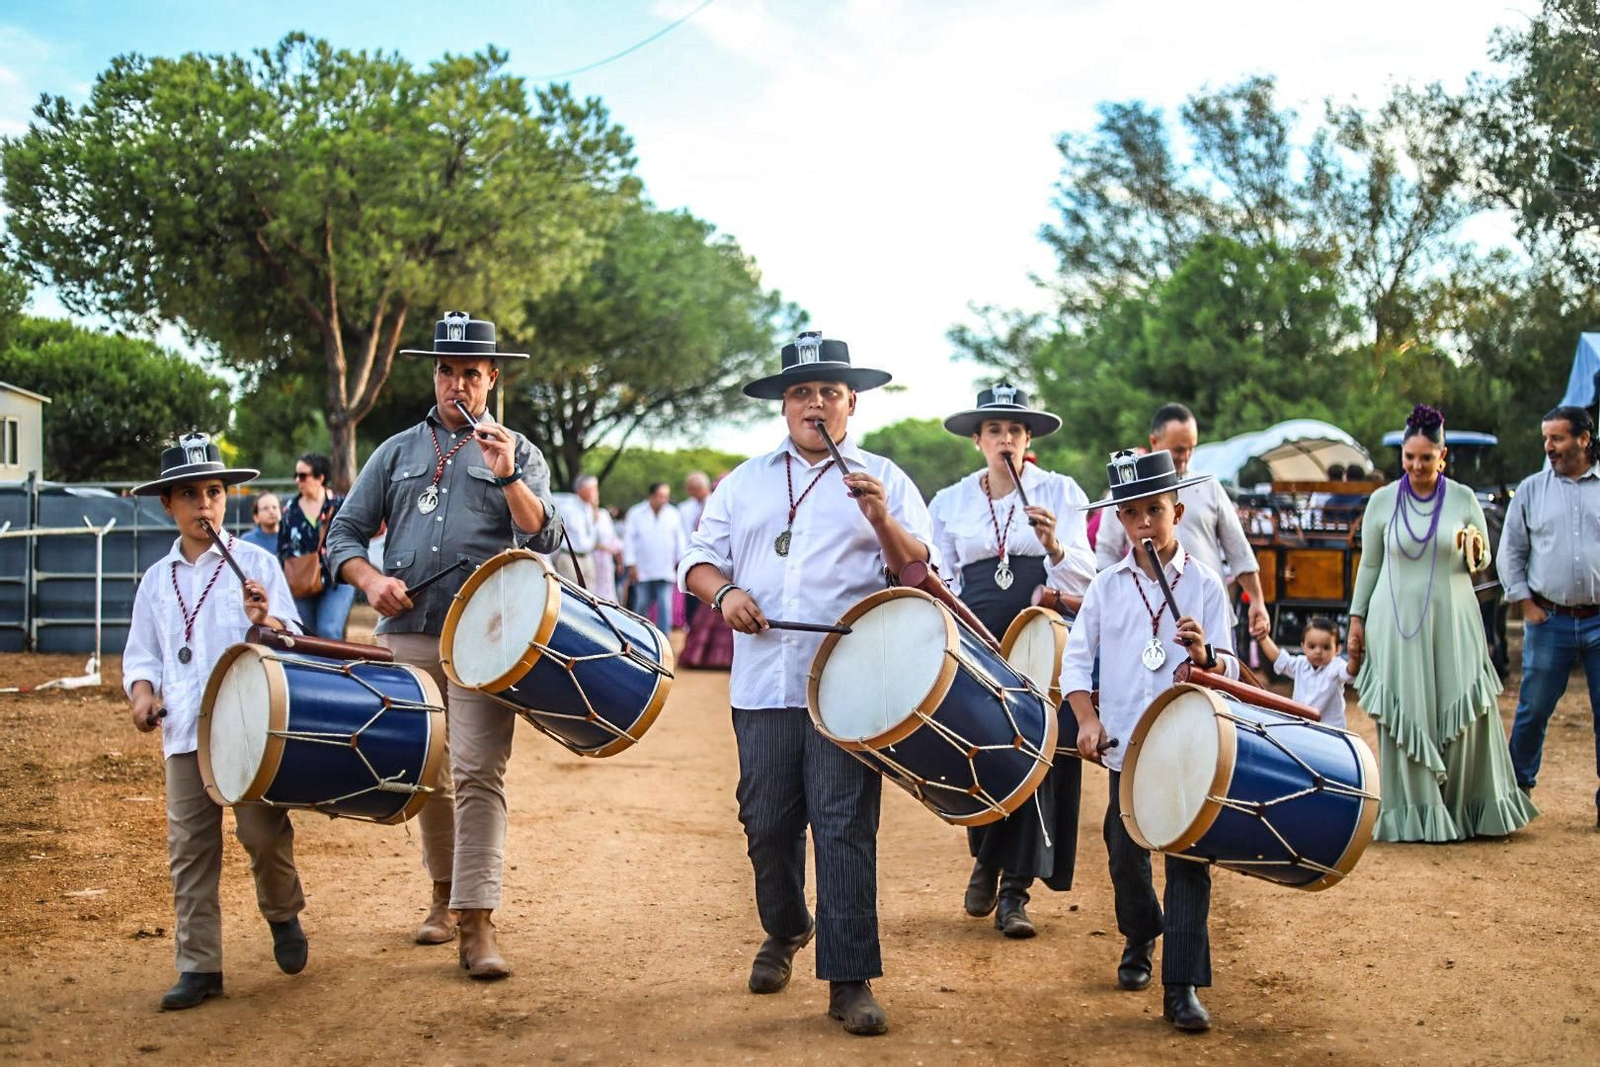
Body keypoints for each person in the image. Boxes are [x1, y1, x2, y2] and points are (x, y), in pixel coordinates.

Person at [679, 331, 934, 1037]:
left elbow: (919, 574)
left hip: (850, 686)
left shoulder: (887, 478)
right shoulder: (746, 480)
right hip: (762, 683)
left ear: (852, 403)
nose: (813, 402)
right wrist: (725, 592)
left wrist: (881, 516)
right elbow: (699, 561)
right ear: (783, 405)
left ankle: (850, 978)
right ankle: (788, 926)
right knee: (766, 822)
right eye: (801, 391)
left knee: (844, 825)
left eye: (828, 391)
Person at [326, 310, 563, 980]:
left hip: (486, 639)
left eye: (471, 372)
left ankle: (478, 924)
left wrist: (509, 473)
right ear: (435, 373)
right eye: (446, 369)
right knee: (426, 773)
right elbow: (343, 535)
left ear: (492, 378)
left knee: (479, 770)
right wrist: (370, 579)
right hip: (408, 636)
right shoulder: (395, 452)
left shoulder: (520, 451)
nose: (457, 382)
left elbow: (544, 537)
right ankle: (443, 895)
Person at [123, 432, 307, 1011]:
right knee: (190, 849)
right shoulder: (156, 582)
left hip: (250, 726)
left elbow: (294, 642)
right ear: (168, 505)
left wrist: (266, 618)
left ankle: (282, 913)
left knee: (261, 833)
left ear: (227, 498)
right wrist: (142, 695)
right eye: (190, 495)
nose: (204, 506)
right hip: (182, 730)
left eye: (214, 492)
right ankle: (199, 966)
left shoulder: (256, 563)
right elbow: (142, 655)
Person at [1061, 447, 1241, 1033]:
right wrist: (1087, 720)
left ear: (1178, 511)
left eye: (1155, 510)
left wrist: (1206, 656)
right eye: (1132, 512)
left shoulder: (1207, 586)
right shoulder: (1107, 587)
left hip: (1189, 744)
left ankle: (1182, 984)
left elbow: (1233, 670)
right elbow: (1076, 665)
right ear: (1119, 520)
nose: (1144, 523)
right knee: (1124, 851)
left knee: (1188, 860)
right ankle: (1139, 935)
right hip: (1126, 749)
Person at [927, 383, 1095, 939]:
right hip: (974, 638)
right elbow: (943, 576)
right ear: (977, 440)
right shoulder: (950, 501)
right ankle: (988, 856)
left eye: (1015, 432)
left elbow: (1087, 579)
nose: (1005, 440)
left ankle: (1012, 892)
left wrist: (1055, 548)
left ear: (1028, 442)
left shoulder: (1061, 491)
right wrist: (953, 629)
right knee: (983, 748)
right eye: (995, 430)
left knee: (1040, 751)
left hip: (1040, 639)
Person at [1346, 404, 1536, 842]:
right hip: (1394, 626)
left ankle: (1468, 810)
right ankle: (1414, 812)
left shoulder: (1464, 499)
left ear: (1442, 457)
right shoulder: (1380, 502)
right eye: (1409, 458)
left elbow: (1483, 560)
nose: (1416, 466)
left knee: (1462, 711)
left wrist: (1473, 543)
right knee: (1405, 713)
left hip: (1454, 623)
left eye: (1425, 459)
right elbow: (1370, 567)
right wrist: (1356, 620)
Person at [1500, 405, 1600, 826]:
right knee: (1533, 709)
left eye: (1557, 438)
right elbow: (1511, 550)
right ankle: (1515, 793)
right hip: (1549, 620)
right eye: (1546, 439)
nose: (1549, 447)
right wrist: (1525, 604)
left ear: (1584, 438)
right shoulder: (1530, 490)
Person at [1095, 404, 1270, 637]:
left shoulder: (1208, 486)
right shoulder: (1126, 495)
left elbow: (1238, 549)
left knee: (1221, 670)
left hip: (1211, 616)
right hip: (1150, 620)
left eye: (1191, 449)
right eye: (1178, 450)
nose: (1185, 457)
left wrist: (1257, 601)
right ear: (1154, 442)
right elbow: (1106, 553)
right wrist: (1123, 601)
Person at [279, 452, 357, 640]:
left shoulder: (341, 505)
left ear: (320, 478)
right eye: (296, 475)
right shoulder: (290, 509)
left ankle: (334, 669)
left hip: (337, 580)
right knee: (308, 637)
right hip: (301, 582)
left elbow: (354, 538)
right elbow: (282, 546)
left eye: (303, 475)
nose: (298, 480)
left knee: (329, 631)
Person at [1250, 615, 1353, 729]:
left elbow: (1349, 672)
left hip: (1331, 730)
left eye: (1326, 647)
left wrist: (1355, 657)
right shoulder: (1300, 664)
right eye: (1312, 646)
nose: (1318, 651)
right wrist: (1263, 637)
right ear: (1303, 646)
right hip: (1301, 725)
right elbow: (1279, 658)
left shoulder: (1337, 665)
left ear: (1337, 649)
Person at [624, 482, 686, 631]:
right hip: (642, 569)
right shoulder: (636, 513)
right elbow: (628, 540)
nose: (663, 500)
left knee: (665, 607)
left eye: (666, 497)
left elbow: (680, 540)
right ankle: (638, 637)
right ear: (651, 496)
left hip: (665, 569)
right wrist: (631, 564)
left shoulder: (673, 514)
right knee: (642, 605)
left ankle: (664, 642)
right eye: (660, 496)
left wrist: (682, 562)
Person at [553, 475, 623, 599]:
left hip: (588, 557)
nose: (596, 492)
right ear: (582, 489)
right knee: (573, 596)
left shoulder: (589, 509)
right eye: (593, 488)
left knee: (589, 596)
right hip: (570, 557)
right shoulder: (568, 508)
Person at [678, 471, 712, 628]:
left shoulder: (716, 503)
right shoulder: (684, 508)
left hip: (712, 559)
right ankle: (691, 626)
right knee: (691, 594)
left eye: (693, 488)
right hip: (690, 556)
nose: (690, 491)